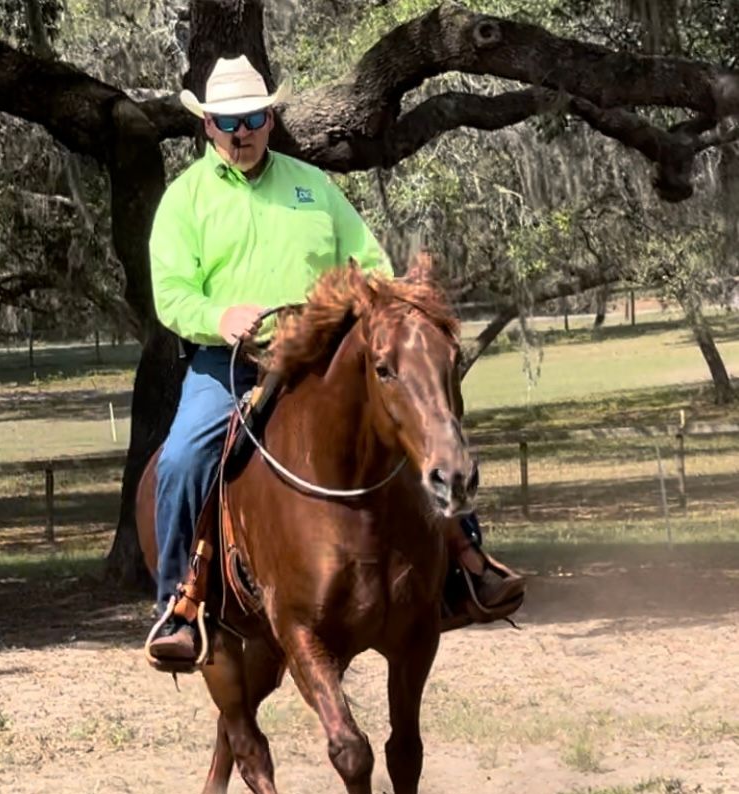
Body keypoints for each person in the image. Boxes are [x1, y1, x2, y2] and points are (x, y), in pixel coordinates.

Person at [146, 55, 524, 664]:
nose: (239, 132)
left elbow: (368, 263)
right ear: (208, 127)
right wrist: (219, 319)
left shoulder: (312, 185)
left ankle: (467, 562)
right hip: (230, 364)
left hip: (321, 363)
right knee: (185, 456)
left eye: (249, 117)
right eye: (225, 122)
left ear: (268, 117)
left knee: (415, 420)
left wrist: (384, 311)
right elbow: (171, 293)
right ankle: (179, 604)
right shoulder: (184, 202)